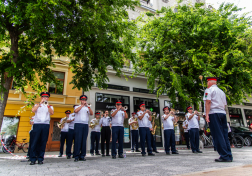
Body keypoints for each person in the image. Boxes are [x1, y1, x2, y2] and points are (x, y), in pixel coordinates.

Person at [203, 77, 232, 162]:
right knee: (224, 135)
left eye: (207, 82)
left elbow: (208, 102)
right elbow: (224, 105)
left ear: (209, 82)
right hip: (222, 113)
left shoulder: (208, 90)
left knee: (217, 134)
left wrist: (207, 114)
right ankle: (229, 155)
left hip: (214, 113)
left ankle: (224, 155)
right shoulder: (222, 92)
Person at [30, 92, 54, 165]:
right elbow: (33, 110)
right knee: (34, 142)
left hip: (45, 125)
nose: (45, 98)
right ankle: (33, 159)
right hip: (37, 125)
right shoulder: (37, 105)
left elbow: (52, 113)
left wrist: (48, 106)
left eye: (46, 97)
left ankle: (40, 158)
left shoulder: (50, 106)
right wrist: (40, 103)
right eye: (43, 97)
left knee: (43, 142)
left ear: (48, 98)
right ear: (41, 98)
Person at [73, 95, 93, 162]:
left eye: (85, 100)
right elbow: (76, 111)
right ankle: (76, 156)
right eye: (82, 100)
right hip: (78, 124)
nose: (84, 101)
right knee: (78, 141)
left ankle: (82, 155)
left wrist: (88, 107)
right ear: (80, 100)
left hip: (85, 125)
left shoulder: (87, 108)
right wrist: (82, 106)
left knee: (84, 141)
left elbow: (91, 113)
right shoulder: (77, 106)